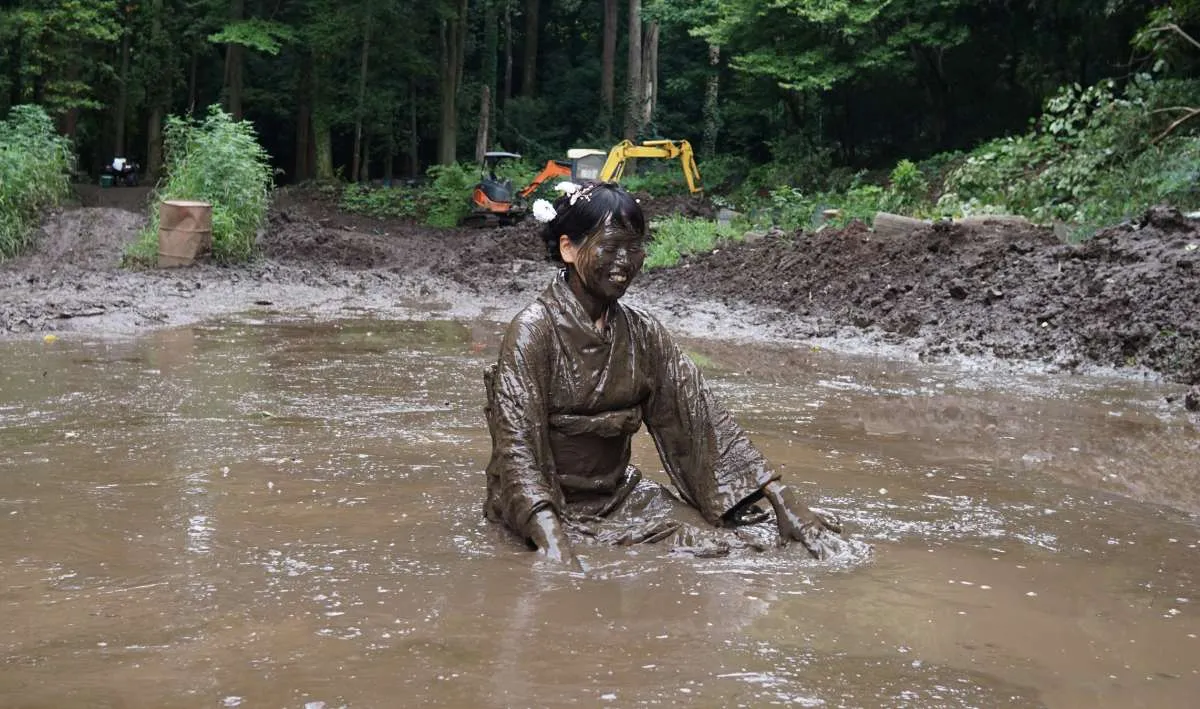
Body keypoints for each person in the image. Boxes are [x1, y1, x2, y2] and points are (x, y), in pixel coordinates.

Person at [482, 181, 848, 567]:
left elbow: (703, 420)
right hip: (541, 502)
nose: (624, 260)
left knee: (726, 543)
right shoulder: (532, 330)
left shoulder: (643, 331)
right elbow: (517, 449)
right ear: (568, 248)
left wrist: (784, 502)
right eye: (610, 247)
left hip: (619, 495)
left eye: (634, 247)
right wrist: (553, 543)